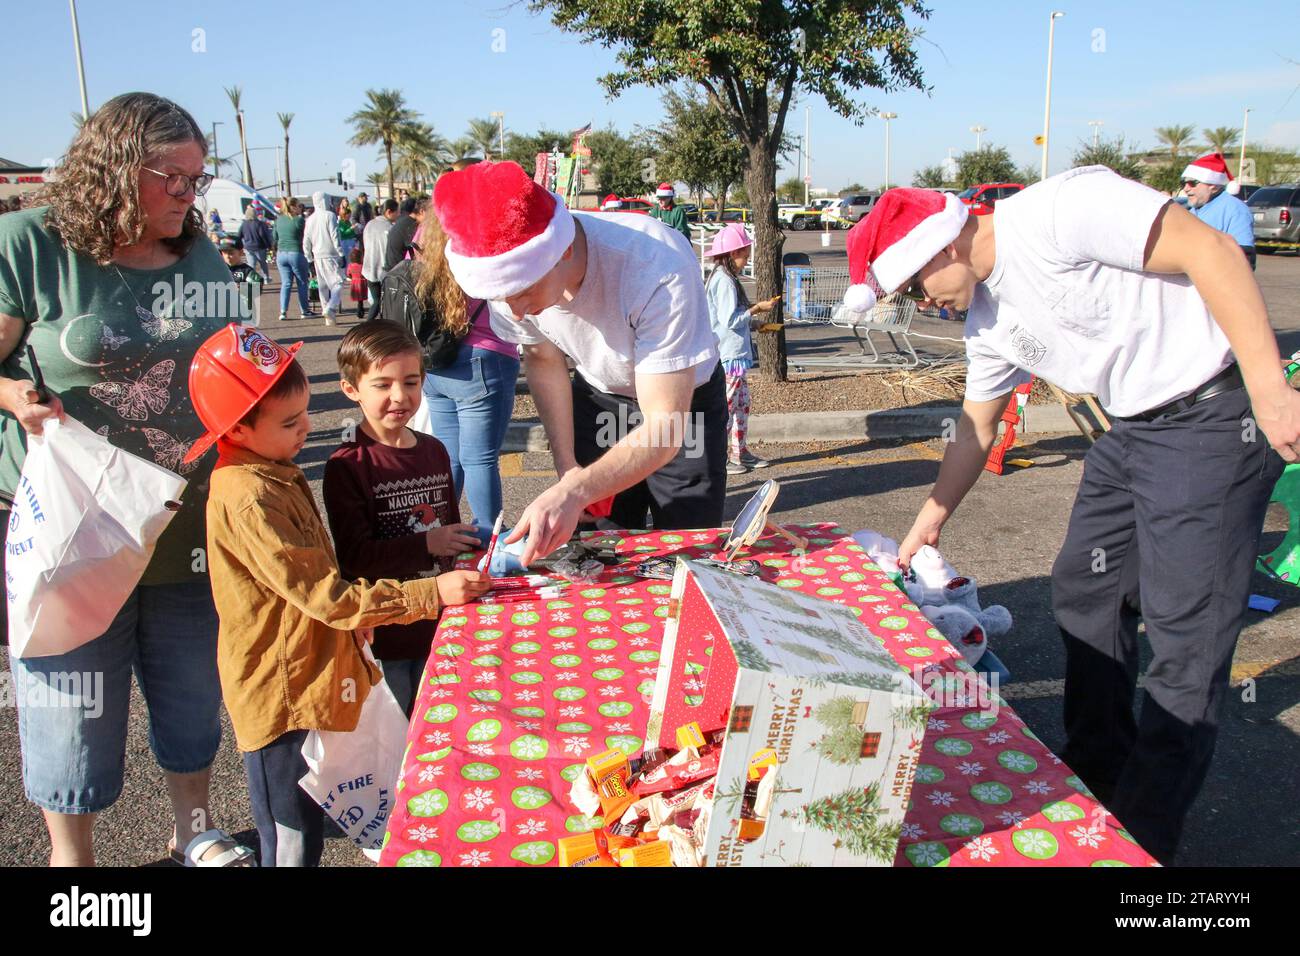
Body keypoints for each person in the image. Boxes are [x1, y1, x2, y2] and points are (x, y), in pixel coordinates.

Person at [842, 172, 1299, 864]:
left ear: (934, 253)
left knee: (1185, 647)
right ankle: (1096, 770)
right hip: (1132, 431)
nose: (924, 305)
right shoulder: (988, 320)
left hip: (1211, 415)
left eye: (914, 289)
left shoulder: (1059, 210)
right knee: (1086, 591)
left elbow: (1214, 252)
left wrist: (1270, 392)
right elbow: (975, 425)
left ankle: (1138, 841)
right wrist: (930, 518)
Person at [0, 91, 251, 867]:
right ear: (113, 169)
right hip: (74, 524)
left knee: (189, 692)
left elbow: (229, 358)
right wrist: (12, 397)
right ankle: (72, 863)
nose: (187, 196)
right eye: (171, 178)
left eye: (197, 180)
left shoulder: (199, 252)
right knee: (68, 704)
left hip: (182, 515)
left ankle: (194, 829)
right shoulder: (29, 243)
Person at [192, 323, 489, 866]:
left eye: (305, 412)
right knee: (291, 836)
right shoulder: (251, 496)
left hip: (310, 677)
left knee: (322, 810)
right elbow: (328, 593)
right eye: (290, 421)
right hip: (280, 696)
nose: (308, 427)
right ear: (236, 429)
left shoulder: (272, 469)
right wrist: (429, 594)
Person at [434, 161, 726, 564]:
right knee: (596, 548)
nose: (514, 311)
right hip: (602, 395)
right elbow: (543, 358)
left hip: (681, 403)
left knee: (685, 541)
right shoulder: (510, 289)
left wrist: (575, 491)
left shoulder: (656, 264)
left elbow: (666, 426)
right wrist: (569, 468)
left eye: (522, 292)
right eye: (500, 298)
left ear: (564, 250)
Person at [323, 322, 484, 714]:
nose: (400, 396)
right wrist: (427, 543)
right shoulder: (348, 464)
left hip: (443, 625)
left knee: (442, 722)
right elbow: (355, 559)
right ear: (351, 389)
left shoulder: (434, 451)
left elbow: (451, 531)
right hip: (387, 635)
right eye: (382, 385)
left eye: (411, 382)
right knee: (395, 736)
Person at [413, 214, 522, 525]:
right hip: (485, 356)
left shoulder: (425, 233)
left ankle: (441, 531)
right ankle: (489, 537)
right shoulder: (483, 229)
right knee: (480, 459)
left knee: (450, 457)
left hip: (436, 359)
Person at [704, 223, 778, 475]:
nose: (746, 260)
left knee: (741, 405)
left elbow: (733, 318)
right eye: (744, 255)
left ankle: (739, 451)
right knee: (726, 407)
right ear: (731, 254)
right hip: (729, 356)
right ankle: (719, 457)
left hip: (734, 354)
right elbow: (730, 320)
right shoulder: (724, 280)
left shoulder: (724, 277)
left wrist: (756, 324)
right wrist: (756, 309)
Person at [1182, 152, 1256, 270]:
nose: (1186, 189)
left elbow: (1244, 258)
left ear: (1214, 186)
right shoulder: (1192, 211)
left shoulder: (1235, 209)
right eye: (1183, 183)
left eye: (1192, 183)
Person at [303, 189, 344, 325]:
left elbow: (306, 240)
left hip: (316, 256)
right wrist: (341, 253)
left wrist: (308, 257)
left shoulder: (310, 219)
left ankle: (329, 318)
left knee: (323, 287)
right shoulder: (330, 216)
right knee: (338, 283)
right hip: (330, 255)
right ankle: (330, 307)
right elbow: (335, 236)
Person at [274, 197, 313, 320]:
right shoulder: (299, 220)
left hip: (281, 254)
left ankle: (283, 311)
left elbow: (274, 237)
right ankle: (304, 310)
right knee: (302, 282)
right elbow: (306, 237)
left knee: (286, 283)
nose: (300, 208)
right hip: (296, 252)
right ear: (294, 207)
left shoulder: (279, 220)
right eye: (298, 206)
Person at [362, 198, 399, 320]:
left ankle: (372, 326)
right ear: (389, 212)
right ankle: (368, 327)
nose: (398, 215)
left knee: (376, 301)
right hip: (383, 269)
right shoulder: (389, 228)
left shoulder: (370, 224)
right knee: (381, 303)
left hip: (368, 268)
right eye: (397, 212)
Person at [219, 236, 262, 325]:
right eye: (224, 253)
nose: (227, 257)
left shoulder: (247, 271)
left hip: (244, 312)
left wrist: (242, 288)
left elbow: (257, 288)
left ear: (241, 252)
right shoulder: (219, 270)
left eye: (231, 253)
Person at [383, 196, 425, 273]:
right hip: (396, 275)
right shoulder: (411, 225)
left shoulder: (404, 220)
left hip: (390, 271)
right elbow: (419, 251)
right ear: (422, 211)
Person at [238, 205, 272, 282]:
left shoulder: (244, 224)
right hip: (260, 247)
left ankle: (251, 279)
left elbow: (239, 235)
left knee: (251, 265)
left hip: (248, 247)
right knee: (263, 264)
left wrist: (240, 246)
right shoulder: (260, 224)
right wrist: (268, 245)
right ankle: (266, 278)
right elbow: (263, 236)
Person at [346, 246, 366, 318]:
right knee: (361, 299)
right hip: (362, 283)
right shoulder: (362, 266)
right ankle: (360, 310)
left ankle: (359, 310)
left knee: (359, 299)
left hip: (355, 283)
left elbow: (348, 274)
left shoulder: (350, 266)